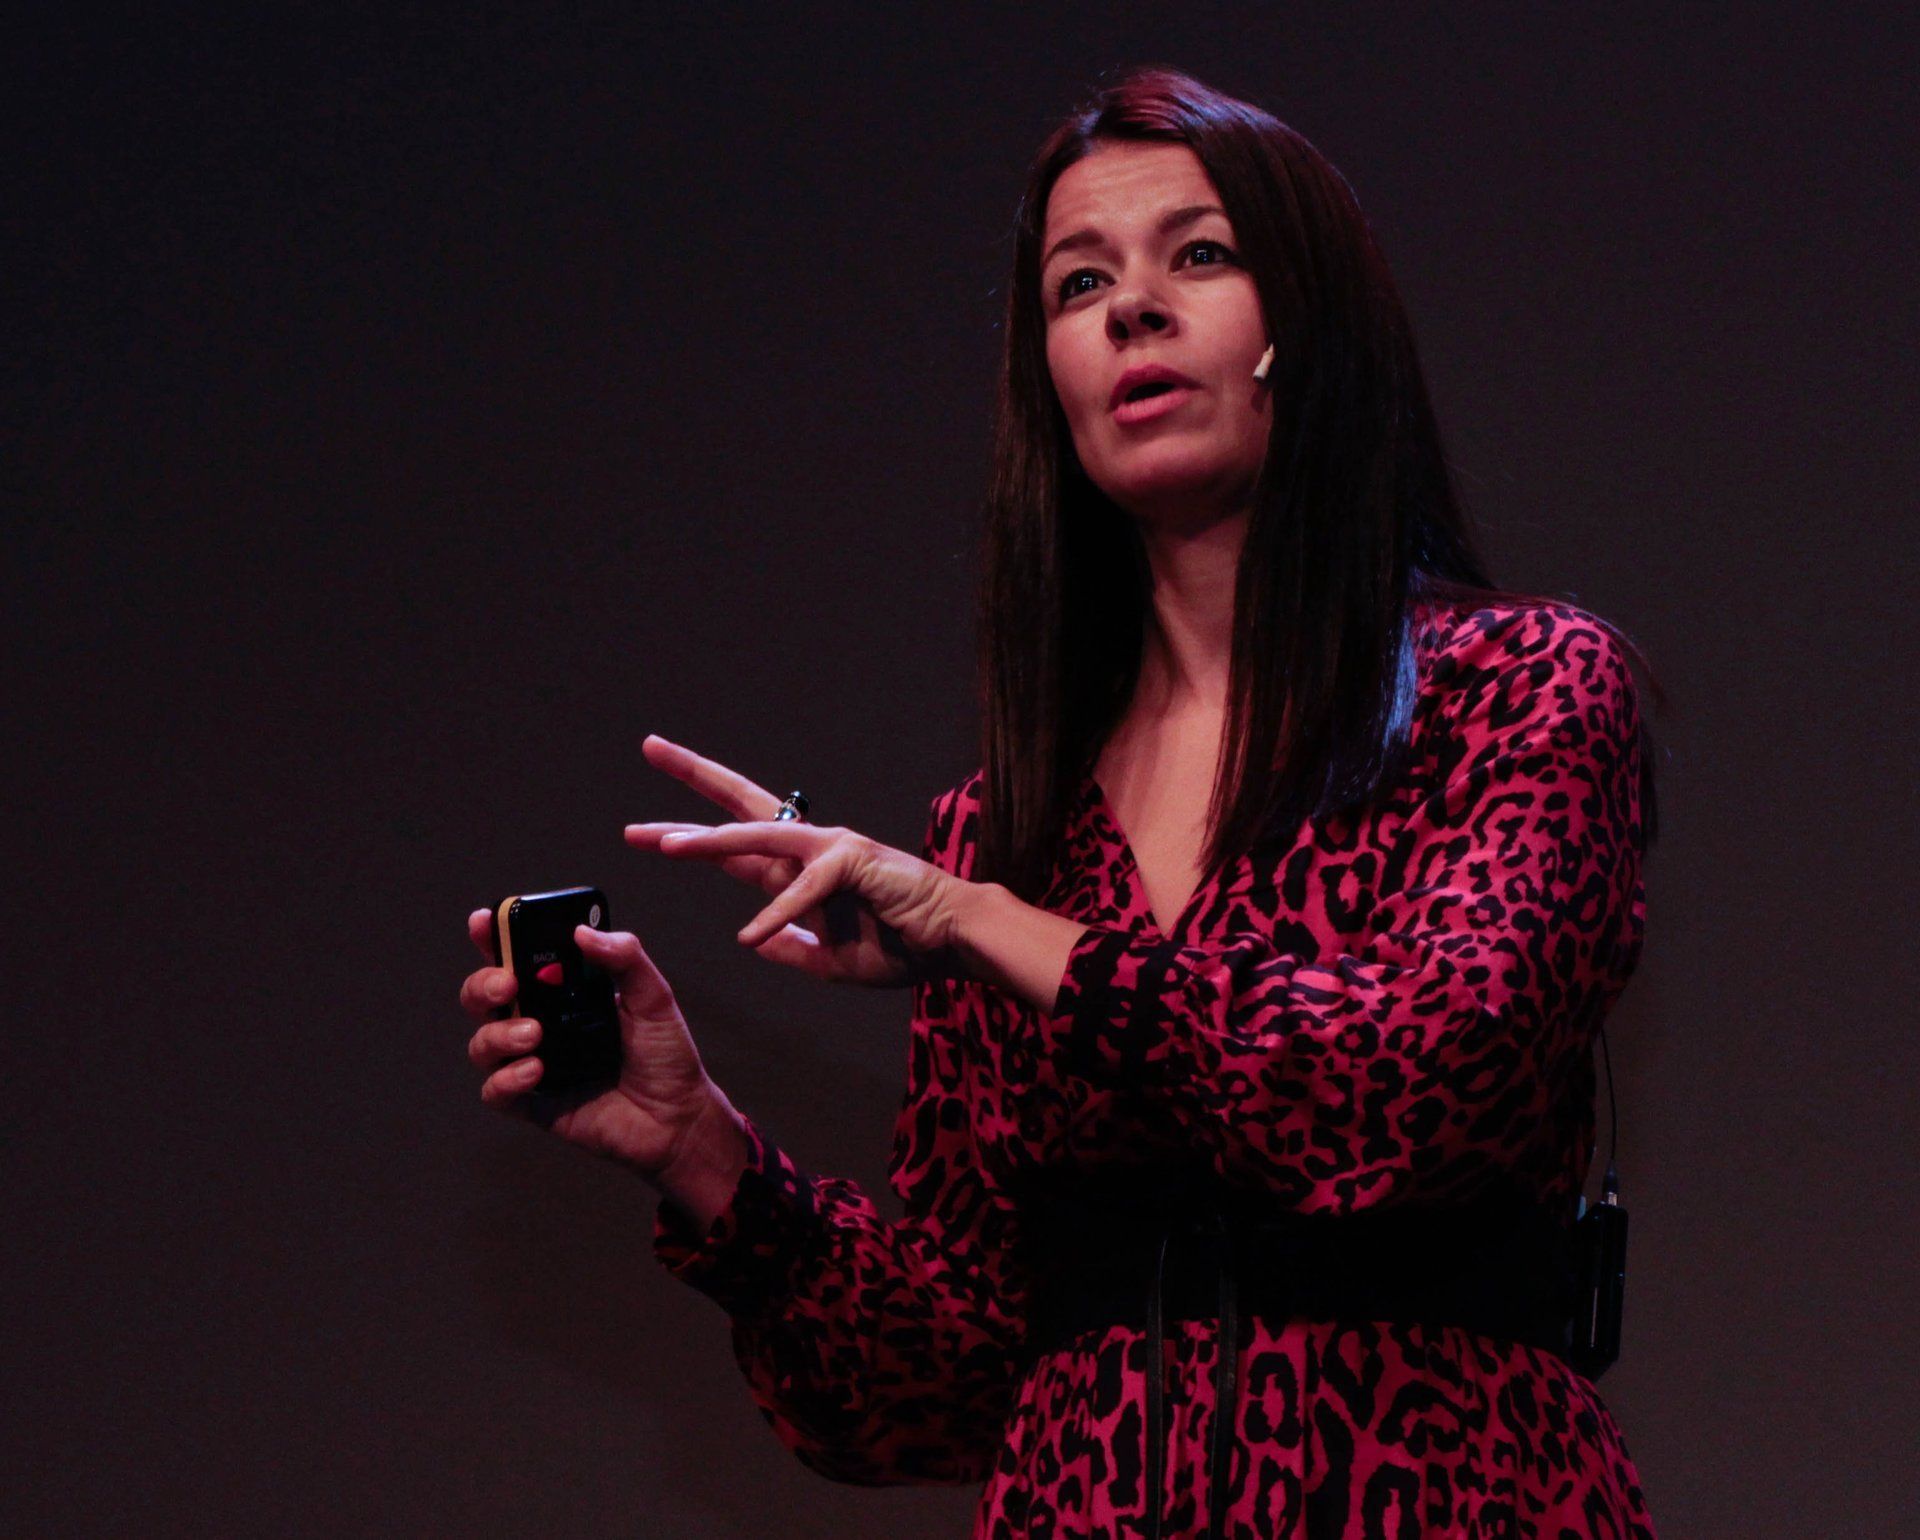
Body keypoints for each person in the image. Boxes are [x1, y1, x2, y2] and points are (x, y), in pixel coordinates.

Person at [460, 65, 1663, 1540]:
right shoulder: (1005, 833)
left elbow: (1400, 1091)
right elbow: (951, 1389)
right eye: (1078, 282)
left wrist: (991, 931)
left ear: (1312, 324)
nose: (1130, 311)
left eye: (1198, 256)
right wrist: (698, 1147)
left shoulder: (1521, 687)